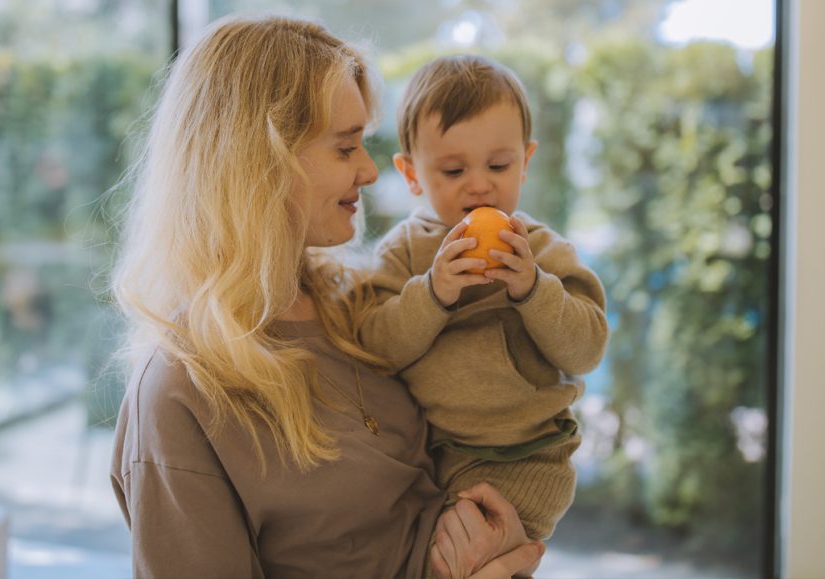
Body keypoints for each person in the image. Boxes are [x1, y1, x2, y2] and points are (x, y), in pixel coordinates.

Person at [108, 15, 545, 579]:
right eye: (345, 148)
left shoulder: (363, 304)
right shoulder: (180, 393)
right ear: (260, 165)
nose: (368, 170)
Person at [357, 55, 609, 543]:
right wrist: (433, 293)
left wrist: (532, 290)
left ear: (526, 161)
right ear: (411, 174)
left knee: (476, 555)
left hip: (532, 454)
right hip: (433, 458)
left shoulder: (541, 250)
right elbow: (375, 347)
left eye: (499, 165)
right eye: (453, 170)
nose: (479, 184)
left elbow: (587, 350)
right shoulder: (404, 252)